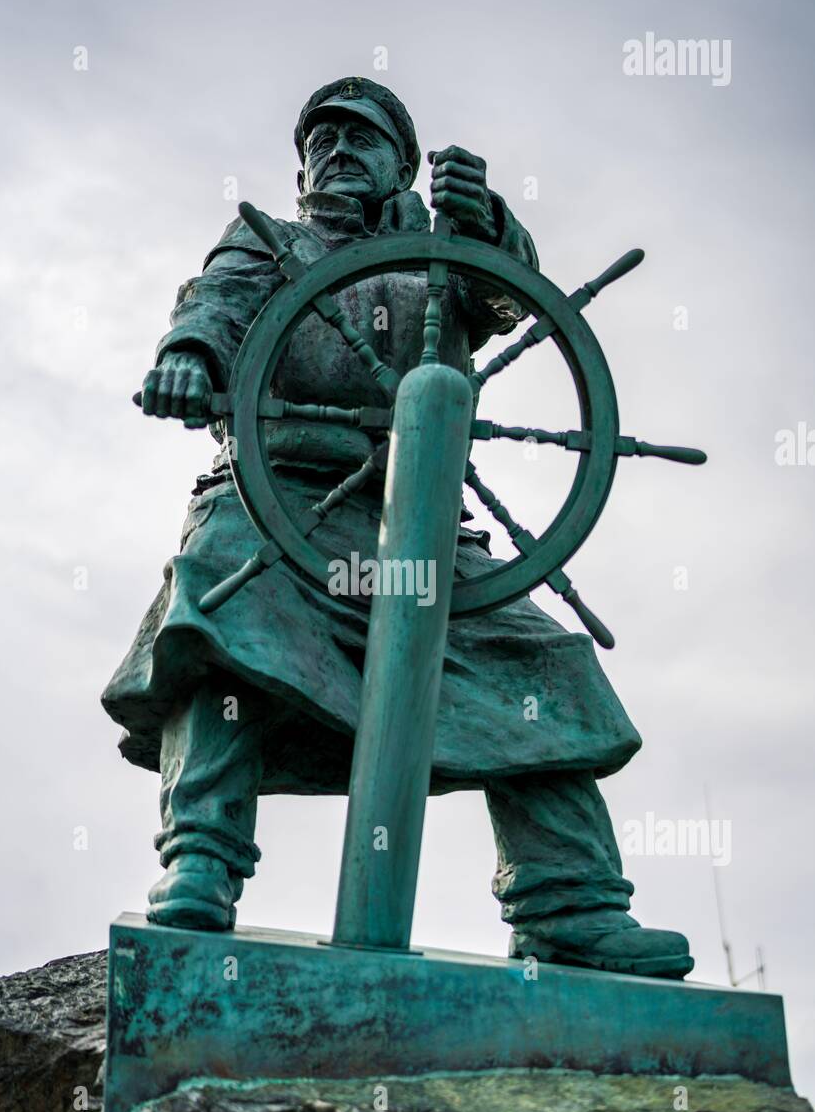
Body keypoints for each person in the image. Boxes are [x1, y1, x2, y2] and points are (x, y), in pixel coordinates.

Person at [102, 76, 693, 979]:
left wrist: (487, 224)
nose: (335, 153)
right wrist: (185, 358)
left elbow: (509, 298)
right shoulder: (270, 241)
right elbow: (214, 309)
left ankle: (568, 906)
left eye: (360, 139)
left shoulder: (443, 251)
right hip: (273, 504)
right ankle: (200, 864)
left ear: (402, 165)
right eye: (320, 141)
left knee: (546, 669)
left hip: (418, 529)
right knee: (214, 619)